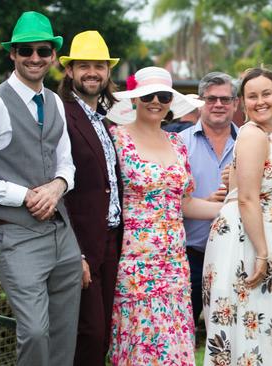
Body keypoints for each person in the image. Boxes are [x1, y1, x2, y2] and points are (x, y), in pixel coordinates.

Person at [0, 11, 82, 365]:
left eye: (43, 51)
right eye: (25, 50)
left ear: (52, 56)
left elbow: (67, 162)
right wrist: (24, 195)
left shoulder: (56, 104)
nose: (35, 58)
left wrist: (58, 186)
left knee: (65, 332)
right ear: (13, 54)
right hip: (15, 236)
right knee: (34, 331)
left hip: (61, 235)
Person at [105, 66, 219, 365]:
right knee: (141, 349)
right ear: (135, 99)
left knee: (175, 348)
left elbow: (185, 203)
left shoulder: (178, 145)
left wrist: (234, 208)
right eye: (147, 95)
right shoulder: (116, 140)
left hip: (175, 266)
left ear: (171, 101)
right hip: (135, 265)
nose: (155, 100)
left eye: (163, 95)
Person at [203, 68, 272, 365]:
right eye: (252, 96)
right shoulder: (253, 135)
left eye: (267, 94)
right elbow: (248, 199)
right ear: (243, 102)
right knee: (255, 326)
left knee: (265, 326)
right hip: (248, 242)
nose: (260, 101)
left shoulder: (265, 136)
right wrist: (262, 255)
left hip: (261, 236)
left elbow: (240, 188)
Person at [56, 30, 121, 366]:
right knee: (90, 334)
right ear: (69, 71)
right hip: (80, 244)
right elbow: (57, 186)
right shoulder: (62, 115)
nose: (92, 72)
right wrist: (74, 252)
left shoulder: (105, 120)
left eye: (99, 65)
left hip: (112, 241)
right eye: (84, 66)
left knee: (105, 333)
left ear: (108, 72)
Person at [179, 71, 238, 341]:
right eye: (211, 98)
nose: (218, 104)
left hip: (236, 254)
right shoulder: (179, 144)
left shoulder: (248, 143)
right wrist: (205, 204)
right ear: (201, 102)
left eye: (225, 99)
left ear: (235, 104)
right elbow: (170, 201)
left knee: (232, 335)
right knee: (183, 333)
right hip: (191, 253)